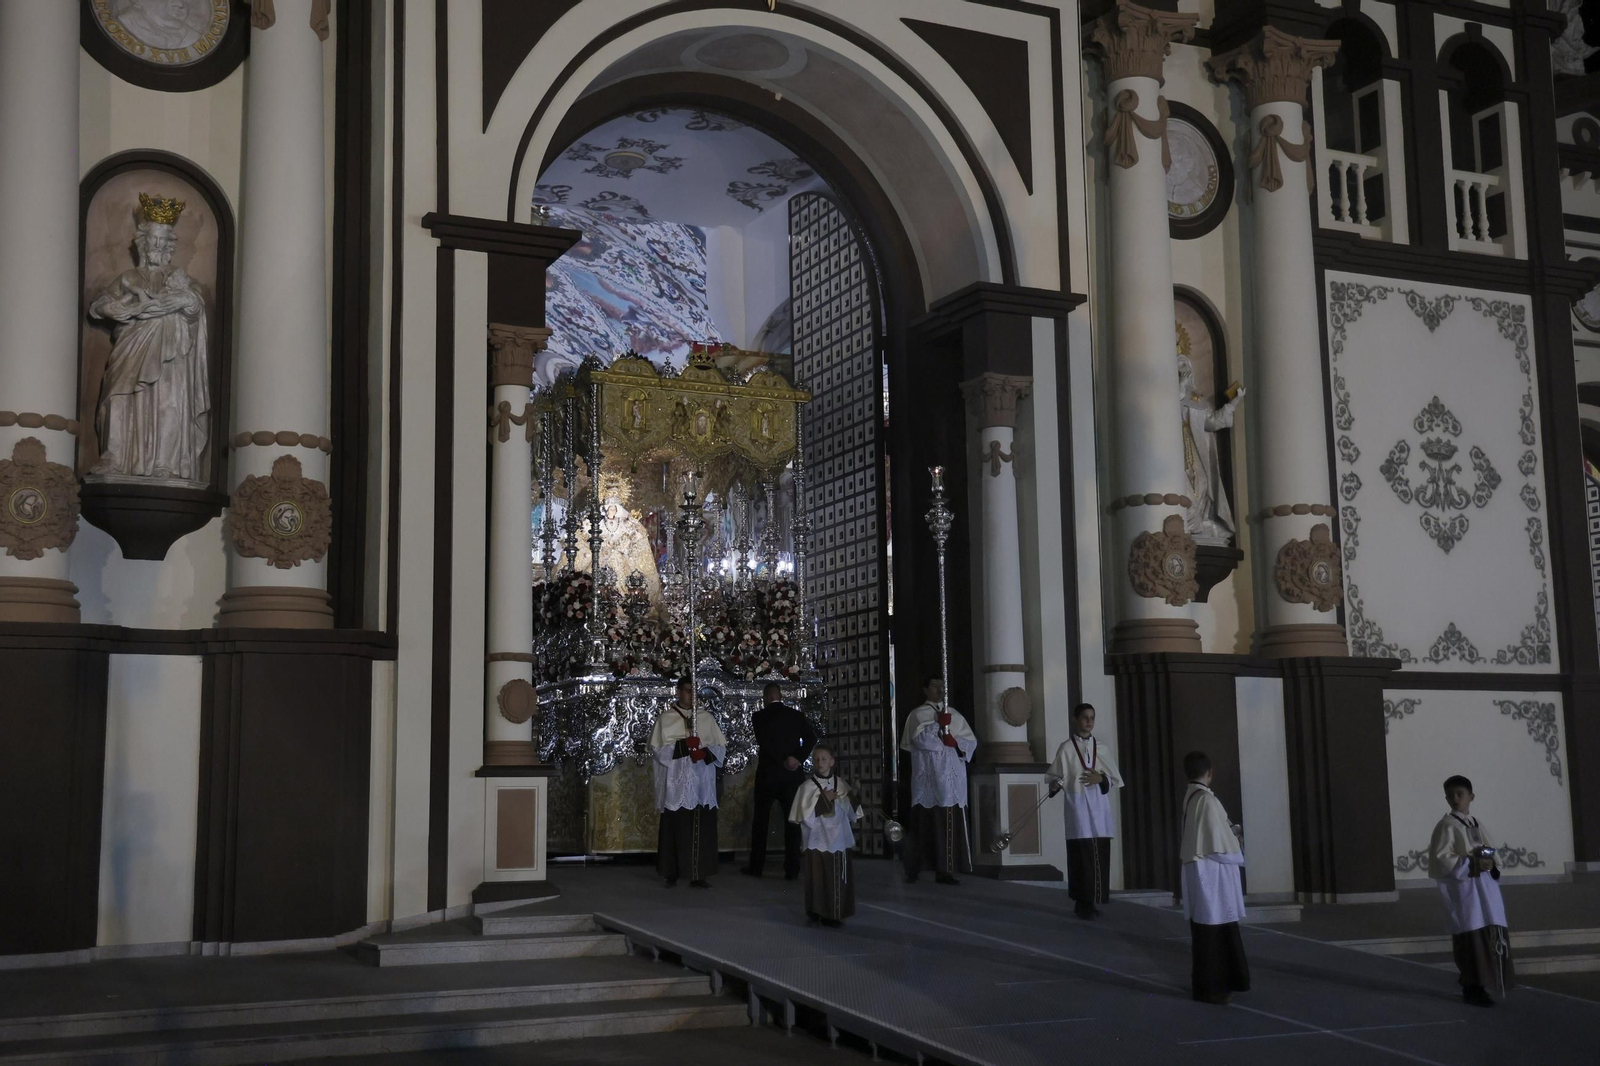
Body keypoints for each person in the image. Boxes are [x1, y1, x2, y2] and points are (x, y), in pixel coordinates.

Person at [1430, 775, 1515, 1007]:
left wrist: (1490, 862)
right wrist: (1472, 863)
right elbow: (1441, 860)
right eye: (1451, 795)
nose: (1456, 799)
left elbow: (1489, 850)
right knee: (1470, 939)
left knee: (1487, 935)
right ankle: (1472, 986)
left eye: (1460, 794)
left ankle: (1486, 982)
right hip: (1466, 892)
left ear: (1471, 797)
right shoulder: (1446, 826)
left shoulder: (1476, 824)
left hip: (1485, 890)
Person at [1179, 751, 1250, 1005]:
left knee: (1206, 933)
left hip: (1201, 873)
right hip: (1212, 878)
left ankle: (1210, 987)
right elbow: (1219, 847)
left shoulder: (1192, 796)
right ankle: (1214, 988)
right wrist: (1237, 844)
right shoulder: (1207, 801)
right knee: (1215, 933)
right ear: (1210, 772)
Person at [1047, 703, 1124, 919]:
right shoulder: (1067, 748)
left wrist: (1101, 778)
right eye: (1084, 717)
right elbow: (1054, 777)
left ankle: (1093, 900)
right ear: (1076, 720)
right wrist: (1055, 785)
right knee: (1081, 855)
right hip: (1078, 807)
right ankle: (1082, 902)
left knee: (1098, 852)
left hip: (1099, 808)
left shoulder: (1102, 747)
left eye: (1092, 717)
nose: (1089, 721)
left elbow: (1115, 778)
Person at [649, 679, 726, 888]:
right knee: (675, 826)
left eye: (695, 692)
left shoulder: (706, 718)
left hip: (701, 781)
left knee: (702, 825)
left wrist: (703, 751)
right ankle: (671, 872)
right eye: (688, 691)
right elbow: (658, 750)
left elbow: (720, 748)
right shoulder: (665, 719)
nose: (692, 696)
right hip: (677, 783)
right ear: (678, 692)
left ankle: (699, 873)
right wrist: (683, 746)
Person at [900, 676, 977, 885]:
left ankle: (946, 870)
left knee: (949, 824)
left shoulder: (954, 714)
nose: (939, 690)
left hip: (951, 779)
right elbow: (921, 741)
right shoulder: (918, 714)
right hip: (930, 778)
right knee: (924, 824)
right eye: (935, 686)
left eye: (942, 686)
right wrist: (937, 726)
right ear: (926, 689)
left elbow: (970, 742)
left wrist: (956, 741)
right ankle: (915, 867)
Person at [743, 681, 818, 879]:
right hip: (791, 777)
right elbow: (811, 738)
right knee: (792, 822)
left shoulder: (759, 717)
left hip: (768, 775)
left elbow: (765, 744)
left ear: (766, 697)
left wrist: (781, 760)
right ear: (781, 696)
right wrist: (797, 758)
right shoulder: (796, 715)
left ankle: (756, 866)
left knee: (761, 822)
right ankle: (792, 868)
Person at [788, 744, 861, 926]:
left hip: (838, 837)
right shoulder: (806, 787)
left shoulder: (841, 783)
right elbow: (805, 818)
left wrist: (854, 795)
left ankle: (834, 914)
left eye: (824, 759)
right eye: (817, 759)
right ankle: (816, 910)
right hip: (817, 838)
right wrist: (823, 801)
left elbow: (853, 813)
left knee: (836, 877)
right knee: (817, 877)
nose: (820, 762)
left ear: (832, 761)